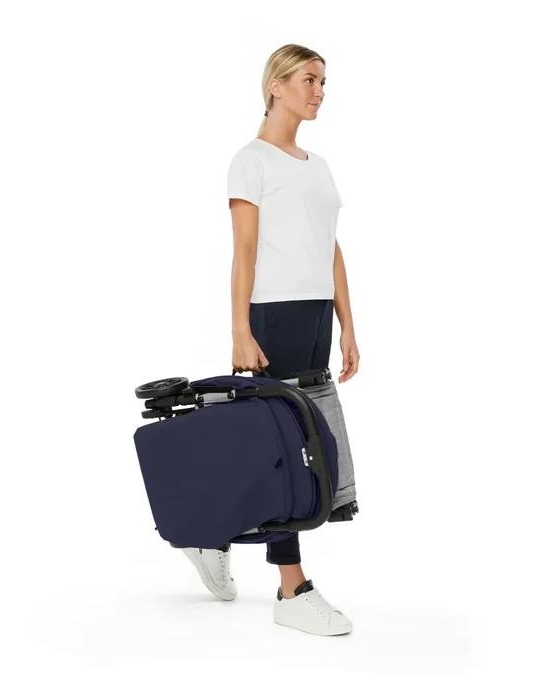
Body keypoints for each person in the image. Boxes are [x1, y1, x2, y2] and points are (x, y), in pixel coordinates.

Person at [181, 44, 360, 636]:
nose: (319, 91)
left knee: (300, 444)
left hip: (315, 316)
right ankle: (291, 588)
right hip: (273, 315)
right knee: (286, 447)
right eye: (309, 79)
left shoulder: (318, 165)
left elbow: (330, 248)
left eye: (324, 82)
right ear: (276, 85)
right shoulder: (250, 161)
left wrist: (348, 325)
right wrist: (239, 328)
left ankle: (210, 537)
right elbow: (245, 250)